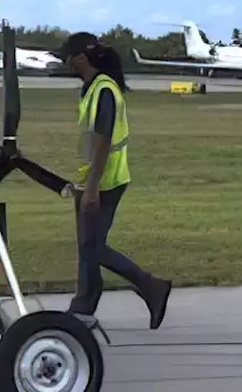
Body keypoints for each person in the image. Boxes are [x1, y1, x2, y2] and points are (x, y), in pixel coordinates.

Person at [55, 31, 173, 329]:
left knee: (93, 248)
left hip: (105, 182)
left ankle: (151, 286)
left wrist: (92, 187)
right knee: (89, 246)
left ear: (82, 57)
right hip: (96, 179)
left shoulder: (103, 90)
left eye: (68, 56)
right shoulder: (94, 87)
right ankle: (83, 307)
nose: (66, 62)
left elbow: (103, 140)